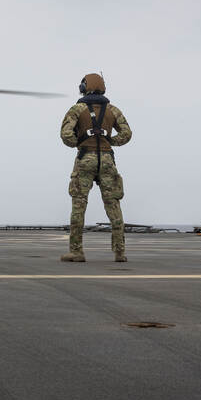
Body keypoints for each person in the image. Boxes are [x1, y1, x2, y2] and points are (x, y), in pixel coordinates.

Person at [59, 73, 132, 262]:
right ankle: (120, 252)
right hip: (107, 159)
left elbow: (66, 135)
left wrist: (80, 142)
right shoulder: (113, 110)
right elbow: (127, 133)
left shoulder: (77, 109)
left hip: (85, 159)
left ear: (84, 87)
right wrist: (110, 142)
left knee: (79, 204)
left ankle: (76, 251)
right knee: (113, 205)